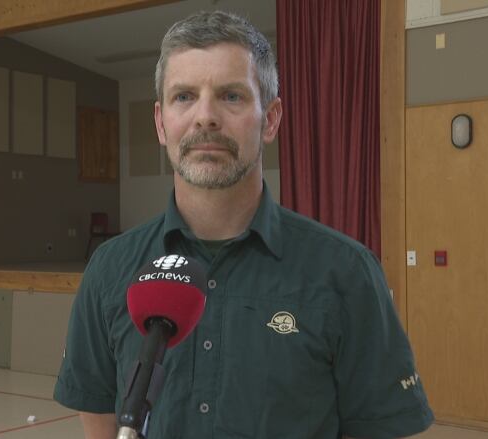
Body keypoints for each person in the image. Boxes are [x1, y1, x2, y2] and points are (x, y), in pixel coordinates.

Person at [54, 10, 433, 439]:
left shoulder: (346, 272)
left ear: (270, 119)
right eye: (184, 97)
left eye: (231, 96)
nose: (205, 117)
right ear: (161, 123)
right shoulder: (109, 271)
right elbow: (100, 420)